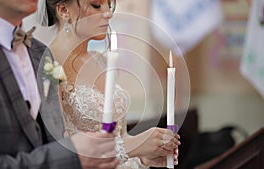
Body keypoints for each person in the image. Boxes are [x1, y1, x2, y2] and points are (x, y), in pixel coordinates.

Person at [0, 0, 120, 169]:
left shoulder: (40, 53)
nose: (107, 13)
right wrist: (70, 158)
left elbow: (51, 139)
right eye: (96, 5)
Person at [38, 0, 181, 168]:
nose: (109, 13)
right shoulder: (48, 68)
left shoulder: (101, 60)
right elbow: (61, 154)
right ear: (63, 10)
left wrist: (144, 157)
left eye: (110, 5)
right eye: (96, 5)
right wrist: (135, 145)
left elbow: (121, 138)